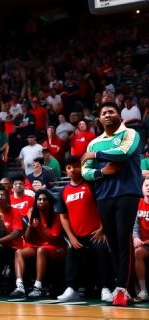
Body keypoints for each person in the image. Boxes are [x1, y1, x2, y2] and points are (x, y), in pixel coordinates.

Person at [82, 101, 143, 306]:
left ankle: (122, 289)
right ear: (99, 119)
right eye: (103, 113)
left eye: (111, 111)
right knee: (113, 243)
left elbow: (124, 153)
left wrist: (96, 156)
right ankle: (125, 287)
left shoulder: (130, 134)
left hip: (127, 192)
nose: (107, 115)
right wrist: (102, 172)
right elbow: (85, 171)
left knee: (123, 239)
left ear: (119, 115)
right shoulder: (94, 142)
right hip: (104, 195)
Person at [57, 156, 113, 303]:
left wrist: (102, 228)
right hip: (77, 236)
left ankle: (106, 288)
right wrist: (71, 237)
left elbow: (103, 207)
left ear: (82, 167)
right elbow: (63, 217)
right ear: (66, 171)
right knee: (71, 253)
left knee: (102, 251)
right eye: (69, 168)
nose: (72, 170)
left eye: (75, 166)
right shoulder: (63, 191)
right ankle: (71, 289)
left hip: (96, 233)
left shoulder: (92, 185)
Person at [10, 189, 66, 298]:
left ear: (49, 202)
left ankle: (38, 287)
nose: (41, 201)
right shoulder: (34, 215)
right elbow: (28, 239)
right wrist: (30, 226)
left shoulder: (56, 216)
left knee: (41, 250)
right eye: (39, 199)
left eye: (44, 199)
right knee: (19, 252)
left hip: (57, 248)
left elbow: (53, 241)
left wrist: (40, 228)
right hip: (38, 246)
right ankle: (19, 286)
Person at [134, 177, 149, 302]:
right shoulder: (137, 203)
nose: (148, 188)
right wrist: (135, 238)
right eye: (146, 185)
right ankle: (143, 291)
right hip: (143, 243)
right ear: (142, 188)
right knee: (137, 252)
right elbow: (134, 225)